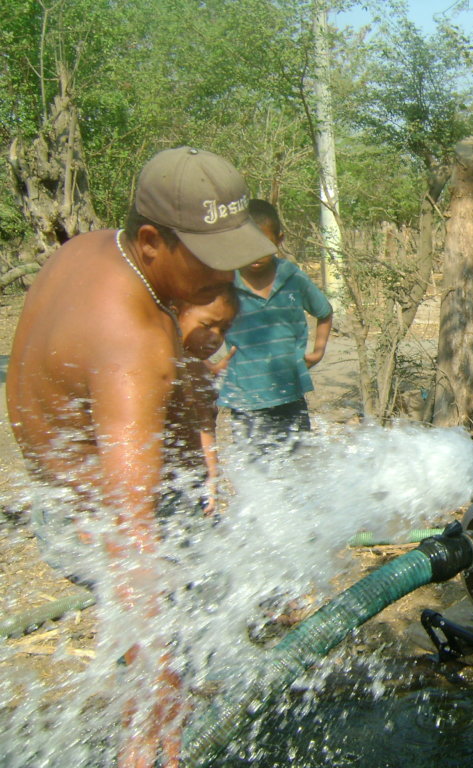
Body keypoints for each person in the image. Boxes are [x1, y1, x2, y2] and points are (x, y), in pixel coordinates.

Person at [6, 146, 275, 767]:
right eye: (213, 263)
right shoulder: (134, 343)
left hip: (67, 498)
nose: (229, 278)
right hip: (109, 525)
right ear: (152, 242)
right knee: (169, 661)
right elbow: (133, 543)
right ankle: (153, 749)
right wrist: (160, 684)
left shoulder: (92, 250)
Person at [217, 199, 333, 454]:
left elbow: (324, 312)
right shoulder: (225, 282)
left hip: (290, 392)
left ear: (279, 240)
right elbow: (207, 326)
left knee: (298, 463)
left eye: (263, 245)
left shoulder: (292, 278)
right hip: (245, 397)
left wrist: (318, 352)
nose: (255, 254)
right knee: (256, 468)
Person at [165, 284, 240, 515]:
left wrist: (211, 478)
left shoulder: (194, 364)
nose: (215, 338)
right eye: (207, 326)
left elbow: (204, 425)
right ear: (174, 313)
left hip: (183, 480)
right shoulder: (171, 361)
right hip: (160, 482)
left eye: (224, 330)